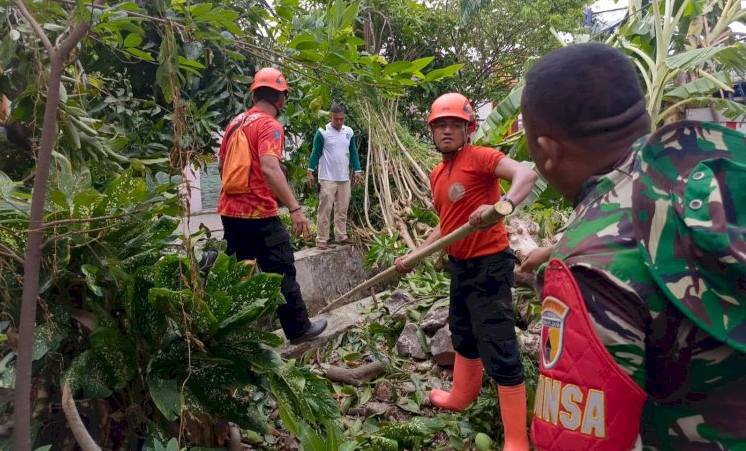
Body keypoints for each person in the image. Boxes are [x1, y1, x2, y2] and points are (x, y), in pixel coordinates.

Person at [518, 43, 746, 449]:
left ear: (548, 152)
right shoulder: (720, 171)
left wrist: (569, 259)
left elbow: (576, 443)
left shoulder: (590, 270)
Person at [394, 93, 538, 451]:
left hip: (490, 266)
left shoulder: (482, 158)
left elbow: (526, 173)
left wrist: (501, 204)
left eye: (453, 125)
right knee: (462, 333)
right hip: (459, 266)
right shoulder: (437, 173)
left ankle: (517, 439)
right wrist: (415, 254)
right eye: (439, 125)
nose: (446, 130)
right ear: (432, 131)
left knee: (499, 343)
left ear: (468, 129)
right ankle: (461, 395)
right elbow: (447, 226)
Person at [218, 67, 327, 344]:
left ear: (255, 93)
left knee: (239, 273)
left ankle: (232, 336)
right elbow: (269, 167)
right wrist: (295, 208)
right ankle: (299, 330)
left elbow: (221, 165)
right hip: (259, 214)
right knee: (281, 271)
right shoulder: (268, 125)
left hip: (230, 213)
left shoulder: (235, 123)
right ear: (281, 99)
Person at [306, 103, 363, 250]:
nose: (339, 122)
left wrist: (358, 170)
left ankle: (341, 236)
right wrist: (310, 171)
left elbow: (353, 152)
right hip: (327, 177)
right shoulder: (322, 131)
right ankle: (321, 239)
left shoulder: (348, 132)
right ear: (330, 117)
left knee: (342, 208)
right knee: (325, 209)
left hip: (344, 177)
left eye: (342, 119)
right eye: (336, 119)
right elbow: (315, 152)